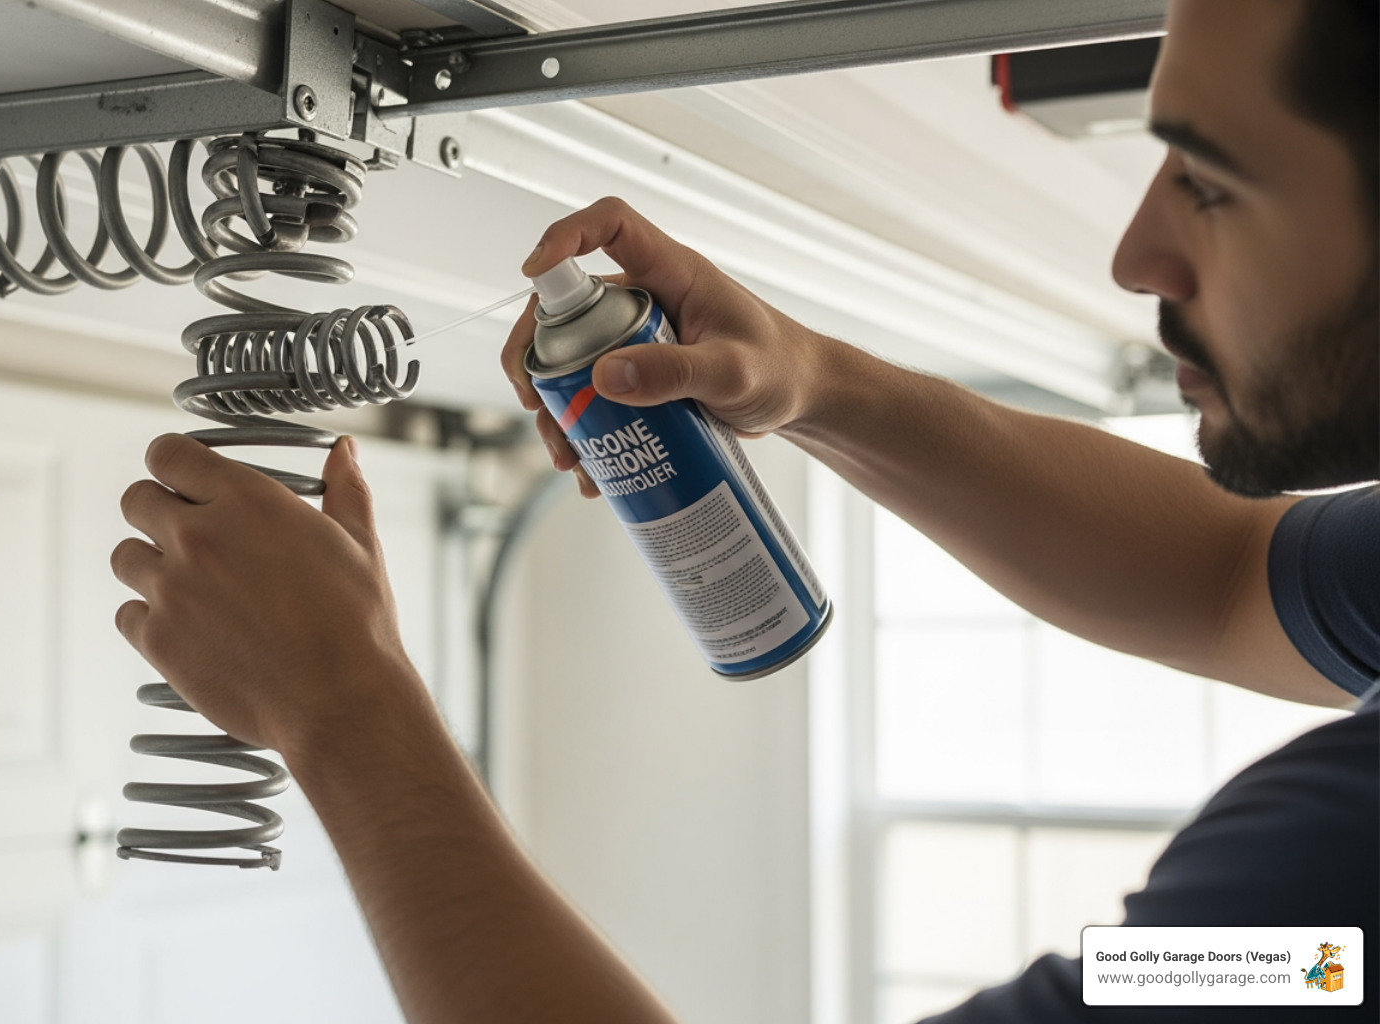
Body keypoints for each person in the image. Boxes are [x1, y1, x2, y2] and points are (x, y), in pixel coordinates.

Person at [109, 0, 1377, 1020]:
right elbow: (1224, 575)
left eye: (1210, 181)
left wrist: (344, 709)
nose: (1134, 253)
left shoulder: (1334, 882)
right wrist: (811, 381)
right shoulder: (1322, 939)